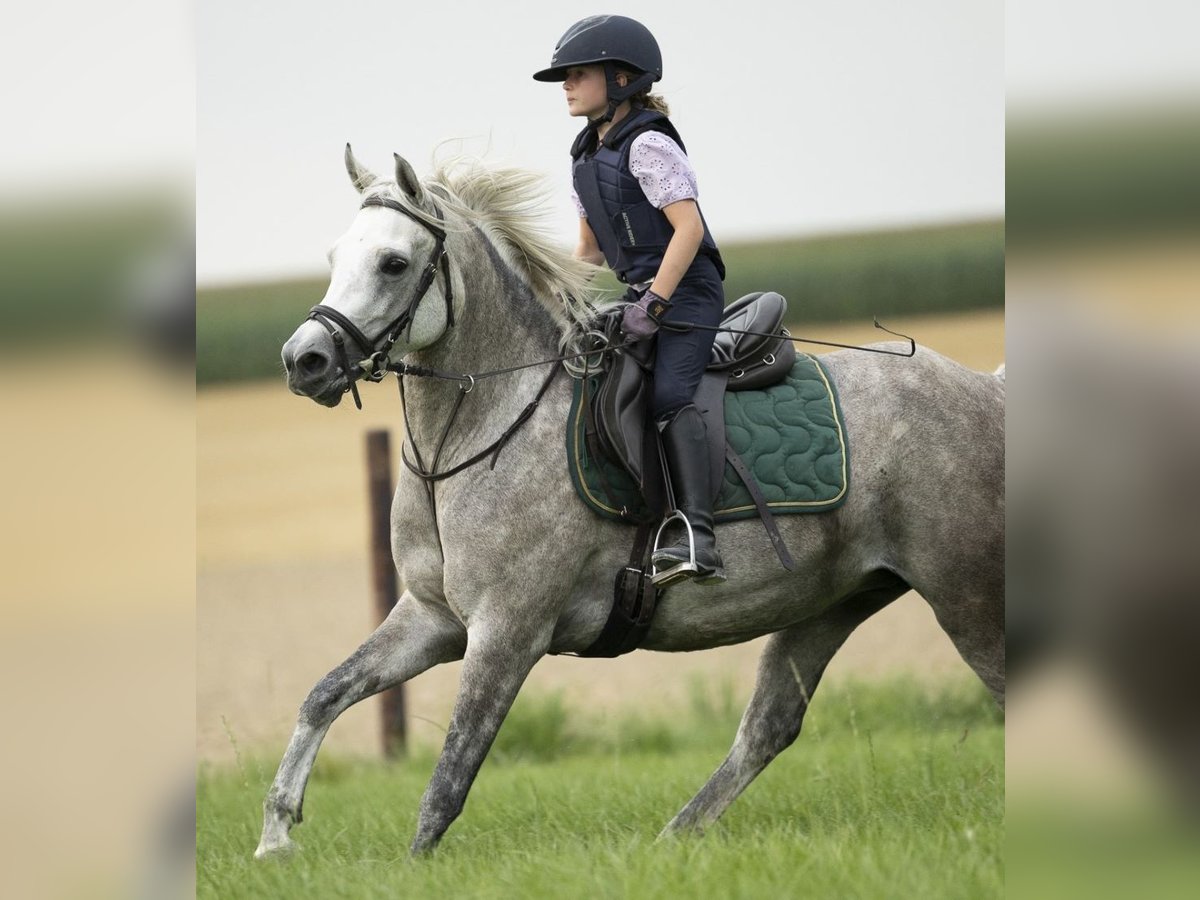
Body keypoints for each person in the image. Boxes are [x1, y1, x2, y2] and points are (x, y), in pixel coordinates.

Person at [533, 15, 727, 585]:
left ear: (620, 79)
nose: (567, 84)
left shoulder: (647, 143)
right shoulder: (585, 157)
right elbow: (589, 252)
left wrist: (656, 306)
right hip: (642, 293)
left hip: (688, 292)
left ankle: (698, 534)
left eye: (578, 73)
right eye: (565, 76)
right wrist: (552, 297)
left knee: (668, 395)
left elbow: (688, 231)